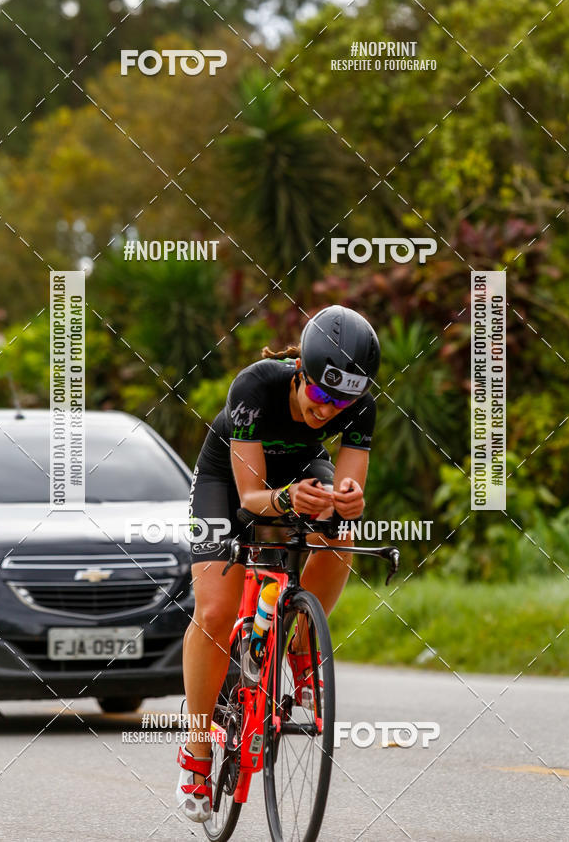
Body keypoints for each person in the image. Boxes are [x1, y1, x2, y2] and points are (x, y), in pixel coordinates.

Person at [176, 304, 380, 822]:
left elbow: (350, 487)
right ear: (301, 374)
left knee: (340, 533)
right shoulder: (256, 386)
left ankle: (300, 645)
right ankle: (197, 750)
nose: (328, 409)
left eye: (342, 402)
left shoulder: (358, 405)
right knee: (218, 612)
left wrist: (347, 500)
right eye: (320, 394)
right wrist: (289, 500)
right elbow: (250, 498)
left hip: (299, 468)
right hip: (229, 479)